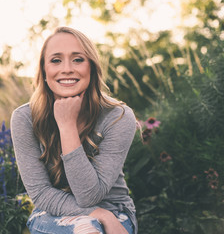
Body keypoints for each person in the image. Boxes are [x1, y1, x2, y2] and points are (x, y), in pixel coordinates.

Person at [11, 26, 138, 234]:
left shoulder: (118, 117)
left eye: (78, 59)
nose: (67, 68)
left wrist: (67, 125)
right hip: (53, 211)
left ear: (92, 67)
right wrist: (99, 215)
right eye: (56, 60)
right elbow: (41, 193)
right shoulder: (25, 118)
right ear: (44, 70)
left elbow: (89, 196)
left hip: (114, 210)